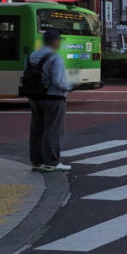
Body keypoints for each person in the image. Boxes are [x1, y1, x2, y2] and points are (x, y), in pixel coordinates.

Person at [28, 29, 71, 172]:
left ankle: (36, 161)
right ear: (54, 41)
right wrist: (69, 87)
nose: (59, 43)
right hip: (54, 97)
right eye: (58, 40)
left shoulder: (32, 56)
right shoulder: (55, 57)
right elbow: (58, 80)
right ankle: (51, 162)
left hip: (35, 96)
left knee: (36, 130)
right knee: (52, 130)